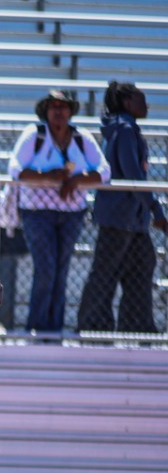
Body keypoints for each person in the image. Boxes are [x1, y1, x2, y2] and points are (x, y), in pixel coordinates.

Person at [10, 90, 103, 338]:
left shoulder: (82, 138)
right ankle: (38, 326)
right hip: (37, 213)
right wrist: (49, 177)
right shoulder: (35, 135)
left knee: (61, 269)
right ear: (46, 111)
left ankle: (55, 328)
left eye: (63, 106)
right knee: (46, 267)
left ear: (71, 111)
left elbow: (104, 171)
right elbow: (16, 169)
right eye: (54, 106)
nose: (58, 111)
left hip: (72, 213)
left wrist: (76, 180)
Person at [78, 80, 164, 335]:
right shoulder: (125, 130)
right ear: (127, 102)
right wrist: (157, 211)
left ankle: (138, 326)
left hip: (131, 218)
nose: (146, 104)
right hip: (120, 216)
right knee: (105, 272)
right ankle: (92, 326)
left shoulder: (124, 129)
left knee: (142, 266)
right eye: (141, 98)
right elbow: (133, 175)